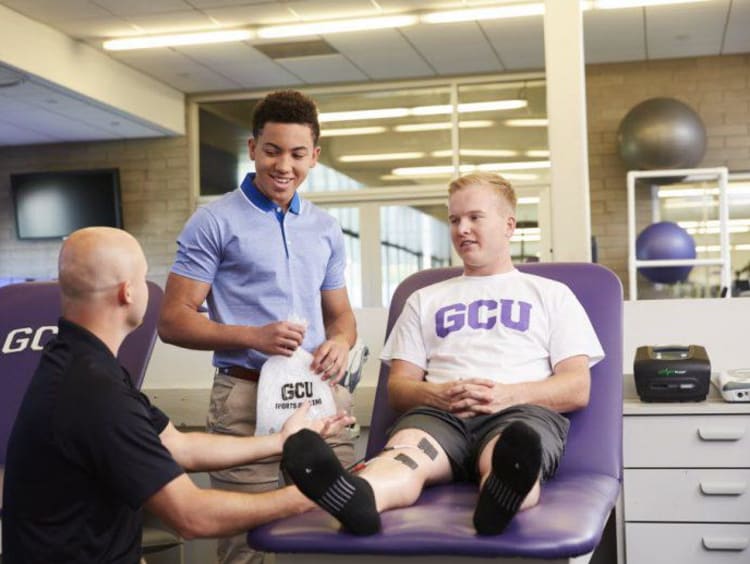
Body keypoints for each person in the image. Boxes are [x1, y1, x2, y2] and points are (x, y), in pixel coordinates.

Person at [1, 227, 353, 563]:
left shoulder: (79, 361)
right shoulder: (94, 393)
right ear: (128, 292)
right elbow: (192, 515)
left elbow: (178, 447)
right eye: (143, 279)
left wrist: (281, 440)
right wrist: (313, 494)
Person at [281, 172, 605, 536]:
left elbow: (577, 387)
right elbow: (399, 390)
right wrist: (439, 394)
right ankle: (359, 498)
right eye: (454, 220)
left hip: (517, 415)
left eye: (475, 218)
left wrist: (504, 395)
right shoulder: (424, 299)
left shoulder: (551, 295)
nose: (462, 229)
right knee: (404, 458)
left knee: (509, 456)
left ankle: (500, 498)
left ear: (508, 225)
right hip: (439, 419)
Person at [158, 89, 357, 562]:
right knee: (250, 543)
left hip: (317, 395)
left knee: (347, 520)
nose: (283, 165)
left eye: (297, 154)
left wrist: (342, 342)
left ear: (315, 156)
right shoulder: (214, 221)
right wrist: (254, 336)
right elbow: (172, 321)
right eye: (272, 151)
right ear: (252, 148)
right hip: (244, 398)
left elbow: (341, 315)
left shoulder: (326, 228)